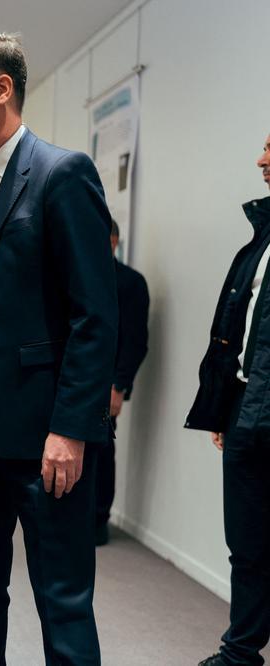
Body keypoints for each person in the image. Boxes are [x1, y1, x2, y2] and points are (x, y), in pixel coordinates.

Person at [0, 30, 117, 664]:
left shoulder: (63, 174)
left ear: (2, 88)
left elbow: (96, 315)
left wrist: (72, 428)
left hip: (47, 438)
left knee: (62, 603)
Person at [187, 134, 270, 666]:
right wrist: (226, 408)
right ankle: (242, 653)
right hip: (247, 410)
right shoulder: (260, 240)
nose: (261, 160)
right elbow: (237, 332)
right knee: (247, 544)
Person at [97, 219, 149, 546]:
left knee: (101, 450)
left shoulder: (130, 283)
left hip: (106, 385)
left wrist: (120, 386)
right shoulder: (73, 278)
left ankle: (97, 519)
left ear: (114, 240)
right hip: (69, 380)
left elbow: (135, 340)